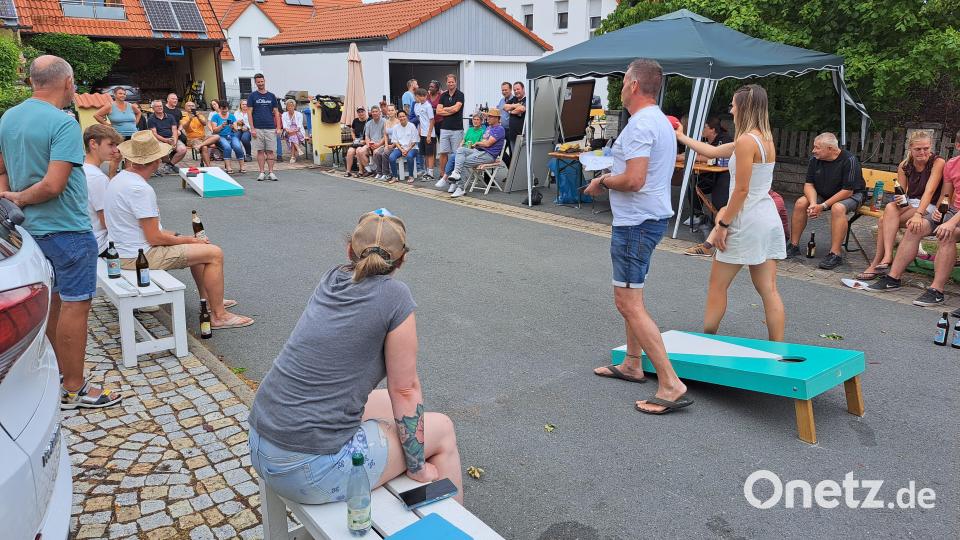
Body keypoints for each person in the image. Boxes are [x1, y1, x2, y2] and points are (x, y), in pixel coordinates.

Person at [248, 211, 463, 506]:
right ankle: (452, 522)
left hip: (260, 442)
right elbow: (405, 390)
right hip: (307, 470)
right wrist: (418, 468)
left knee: (387, 405)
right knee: (443, 429)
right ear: (402, 260)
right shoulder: (396, 297)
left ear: (349, 249)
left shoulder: (332, 277)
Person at [0, 55, 122, 409]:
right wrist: (21, 197)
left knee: (52, 303)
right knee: (75, 306)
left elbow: (1, 169)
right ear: (68, 83)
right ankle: (74, 387)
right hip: (66, 227)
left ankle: (56, 374)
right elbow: (54, 185)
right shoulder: (64, 123)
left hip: (27, 231)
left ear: (32, 81)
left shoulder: (8, 118)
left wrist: (9, 199)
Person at [582, 59, 691, 415]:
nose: (621, 87)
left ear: (632, 85)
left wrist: (602, 181)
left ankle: (671, 383)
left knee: (628, 303)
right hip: (647, 218)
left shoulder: (642, 124)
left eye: (624, 80)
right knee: (633, 296)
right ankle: (632, 362)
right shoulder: (657, 120)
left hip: (636, 223)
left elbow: (634, 179)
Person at [104, 130, 254, 330]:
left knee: (200, 249)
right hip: (138, 257)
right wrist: (190, 240)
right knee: (214, 253)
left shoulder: (120, 179)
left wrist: (186, 239)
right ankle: (219, 316)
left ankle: (210, 301)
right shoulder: (140, 189)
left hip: (123, 251)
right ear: (156, 160)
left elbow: (144, 230)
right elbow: (154, 237)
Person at [675, 84, 786, 344]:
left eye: (734, 105)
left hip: (746, 220)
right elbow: (712, 152)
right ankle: (777, 349)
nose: (731, 110)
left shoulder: (746, 141)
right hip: (765, 217)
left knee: (717, 286)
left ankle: (706, 340)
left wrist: (723, 224)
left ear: (744, 107)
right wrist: (682, 136)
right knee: (769, 290)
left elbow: (741, 190)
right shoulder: (764, 138)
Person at [866, 132, 952, 306]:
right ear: (910, 148)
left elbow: (929, 191)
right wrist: (900, 199)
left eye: (926, 148)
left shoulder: (937, 162)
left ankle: (879, 263)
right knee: (890, 207)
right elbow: (903, 195)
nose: (923, 152)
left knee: (884, 222)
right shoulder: (904, 165)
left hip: (930, 205)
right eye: (918, 149)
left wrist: (919, 214)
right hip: (911, 204)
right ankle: (887, 256)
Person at [786, 133, 866, 269]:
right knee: (801, 203)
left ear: (830, 149)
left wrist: (822, 206)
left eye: (817, 147)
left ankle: (835, 254)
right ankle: (793, 246)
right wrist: (813, 203)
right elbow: (809, 185)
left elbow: (848, 191)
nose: (813, 150)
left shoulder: (849, 160)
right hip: (824, 193)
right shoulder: (814, 160)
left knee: (838, 208)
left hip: (852, 194)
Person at [447, 108, 506, 198]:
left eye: (490, 117)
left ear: (497, 118)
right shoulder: (489, 128)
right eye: (488, 116)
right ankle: (456, 172)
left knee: (463, 162)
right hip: (480, 151)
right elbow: (484, 141)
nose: (488, 118)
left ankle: (460, 188)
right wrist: (479, 144)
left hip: (488, 155)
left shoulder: (499, 129)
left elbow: (487, 143)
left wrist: (478, 143)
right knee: (461, 149)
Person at [83, 124, 123, 255]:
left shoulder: (83, 169)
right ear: (93, 144)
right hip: (102, 243)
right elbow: (107, 221)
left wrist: (113, 169)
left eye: (116, 145)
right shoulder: (97, 177)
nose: (115, 150)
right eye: (111, 145)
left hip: (88, 239)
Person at [93, 87, 141, 176]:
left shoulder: (131, 106)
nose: (123, 95)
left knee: (129, 158)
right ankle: (111, 178)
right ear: (115, 95)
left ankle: (126, 178)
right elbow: (97, 115)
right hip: (118, 136)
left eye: (124, 94)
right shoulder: (110, 106)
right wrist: (108, 125)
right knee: (116, 157)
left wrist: (135, 123)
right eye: (120, 93)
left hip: (132, 135)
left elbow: (139, 113)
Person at [246, 73, 282, 181]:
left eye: (262, 81)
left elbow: (276, 112)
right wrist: (252, 128)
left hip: (270, 127)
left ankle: (271, 172)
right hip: (257, 128)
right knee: (260, 151)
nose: (260, 83)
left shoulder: (271, 96)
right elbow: (249, 113)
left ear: (264, 81)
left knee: (270, 151)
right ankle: (261, 172)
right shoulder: (252, 96)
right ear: (255, 83)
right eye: (258, 82)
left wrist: (278, 127)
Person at [436, 113, 486, 189]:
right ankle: (453, 182)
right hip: (464, 150)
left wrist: (474, 145)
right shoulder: (470, 129)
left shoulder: (482, 131)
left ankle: (446, 179)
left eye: (477, 120)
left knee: (454, 157)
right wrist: (460, 145)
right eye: (474, 119)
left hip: (474, 151)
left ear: (481, 121)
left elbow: (482, 143)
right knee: (455, 156)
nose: (475, 121)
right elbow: (463, 140)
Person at [433, 74, 464, 188]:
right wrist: (450, 110)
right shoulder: (443, 95)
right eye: (449, 82)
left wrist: (445, 109)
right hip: (444, 128)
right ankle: (443, 176)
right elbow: (438, 111)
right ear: (446, 83)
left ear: (456, 82)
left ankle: (454, 180)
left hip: (457, 129)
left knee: (456, 154)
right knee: (443, 153)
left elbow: (456, 109)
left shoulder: (460, 95)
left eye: (452, 82)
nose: (451, 84)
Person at [147, 99, 187, 174]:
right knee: (163, 151)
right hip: (159, 140)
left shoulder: (170, 117)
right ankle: (167, 165)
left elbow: (174, 130)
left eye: (161, 106)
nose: (160, 107)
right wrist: (166, 141)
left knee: (183, 149)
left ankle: (169, 165)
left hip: (172, 138)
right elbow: (154, 134)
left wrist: (174, 141)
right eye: (157, 106)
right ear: (153, 108)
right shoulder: (151, 119)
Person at [210, 101, 246, 174]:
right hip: (220, 136)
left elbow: (236, 130)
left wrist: (232, 127)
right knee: (227, 147)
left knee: (238, 147)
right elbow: (214, 130)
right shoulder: (215, 117)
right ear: (219, 108)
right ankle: (228, 167)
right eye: (222, 109)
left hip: (231, 135)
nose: (224, 111)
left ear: (228, 108)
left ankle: (242, 167)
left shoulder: (232, 116)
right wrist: (221, 126)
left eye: (226, 109)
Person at [180, 101, 220, 167]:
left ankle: (199, 146)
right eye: (189, 106)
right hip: (192, 139)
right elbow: (185, 127)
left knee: (217, 136)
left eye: (192, 106)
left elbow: (204, 124)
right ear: (185, 108)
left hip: (203, 137)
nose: (191, 107)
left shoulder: (199, 115)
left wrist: (198, 117)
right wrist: (190, 119)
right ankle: (209, 166)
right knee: (204, 147)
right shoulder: (183, 116)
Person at [387, 111, 419, 184]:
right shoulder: (396, 127)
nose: (402, 118)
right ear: (398, 118)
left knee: (409, 156)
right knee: (391, 157)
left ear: (406, 116)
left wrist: (407, 150)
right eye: (400, 117)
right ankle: (395, 177)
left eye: (403, 116)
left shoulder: (412, 126)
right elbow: (395, 141)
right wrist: (402, 150)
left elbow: (414, 141)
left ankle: (411, 176)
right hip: (400, 148)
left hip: (412, 148)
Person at [501, 81, 527, 167]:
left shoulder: (527, 99)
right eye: (515, 90)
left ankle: (523, 174)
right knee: (515, 158)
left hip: (522, 135)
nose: (516, 91)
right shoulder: (514, 99)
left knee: (522, 158)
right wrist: (516, 106)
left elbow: (522, 109)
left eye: (518, 89)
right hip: (512, 135)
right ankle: (514, 174)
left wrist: (511, 111)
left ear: (523, 89)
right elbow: (505, 107)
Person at [413, 88, 436, 181]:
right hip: (422, 133)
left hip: (429, 134)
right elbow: (420, 119)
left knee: (430, 154)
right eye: (420, 96)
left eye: (424, 96)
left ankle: (431, 174)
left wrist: (429, 134)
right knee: (425, 153)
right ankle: (427, 172)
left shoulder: (428, 106)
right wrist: (419, 129)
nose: (423, 98)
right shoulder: (417, 106)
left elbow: (432, 120)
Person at [358, 106, 387, 178]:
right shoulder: (368, 123)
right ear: (371, 113)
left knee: (376, 152)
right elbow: (367, 136)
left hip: (382, 144)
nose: (374, 113)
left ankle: (378, 171)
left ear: (379, 112)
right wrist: (368, 145)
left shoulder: (384, 121)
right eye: (373, 112)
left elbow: (385, 136)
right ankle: (369, 170)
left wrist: (378, 144)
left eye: (376, 111)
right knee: (360, 151)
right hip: (371, 144)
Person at [372, 104, 400, 180]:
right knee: (377, 153)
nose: (390, 112)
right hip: (388, 142)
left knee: (385, 153)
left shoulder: (398, 122)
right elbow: (385, 134)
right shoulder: (386, 122)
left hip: (396, 143)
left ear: (395, 111)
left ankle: (386, 173)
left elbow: (399, 136)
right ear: (387, 112)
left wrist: (392, 145)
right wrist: (386, 144)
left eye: (392, 110)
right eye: (389, 110)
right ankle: (379, 172)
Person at [344, 107, 369, 176]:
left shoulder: (369, 120)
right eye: (359, 112)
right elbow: (352, 130)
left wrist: (365, 141)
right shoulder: (355, 120)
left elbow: (371, 133)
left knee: (358, 150)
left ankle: (361, 171)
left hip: (365, 142)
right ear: (357, 113)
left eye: (362, 111)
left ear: (365, 112)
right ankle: (348, 171)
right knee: (350, 152)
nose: (361, 113)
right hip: (357, 142)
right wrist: (354, 138)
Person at [282, 99, 307, 164]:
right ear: (286, 107)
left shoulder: (299, 114)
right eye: (288, 106)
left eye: (292, 106)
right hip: (288, 132)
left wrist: (293, 131)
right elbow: (285, 126)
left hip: (298, 132)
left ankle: (293, 156)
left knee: (293, 136)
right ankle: (298, 149)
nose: (290, 107)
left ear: (294, 106)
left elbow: (299, 126)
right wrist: (289, 131)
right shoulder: (284, 114)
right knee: (292, 135)